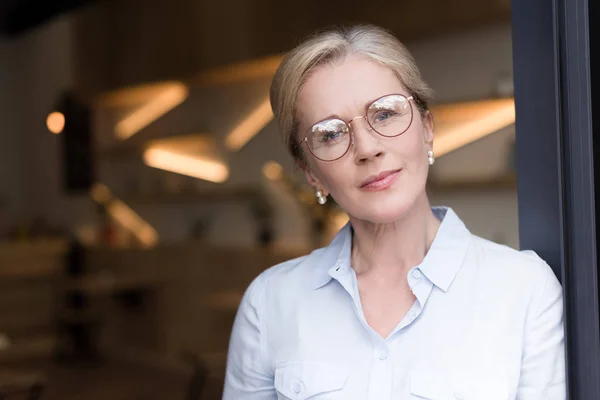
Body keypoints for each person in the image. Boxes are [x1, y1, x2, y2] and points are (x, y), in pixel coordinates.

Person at [223, 25, 566, 399]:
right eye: (330, 133)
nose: (367, 148)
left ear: (428, 129)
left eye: (385, 114)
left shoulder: (525, 290)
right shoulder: (270, 302)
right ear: (311, 173)